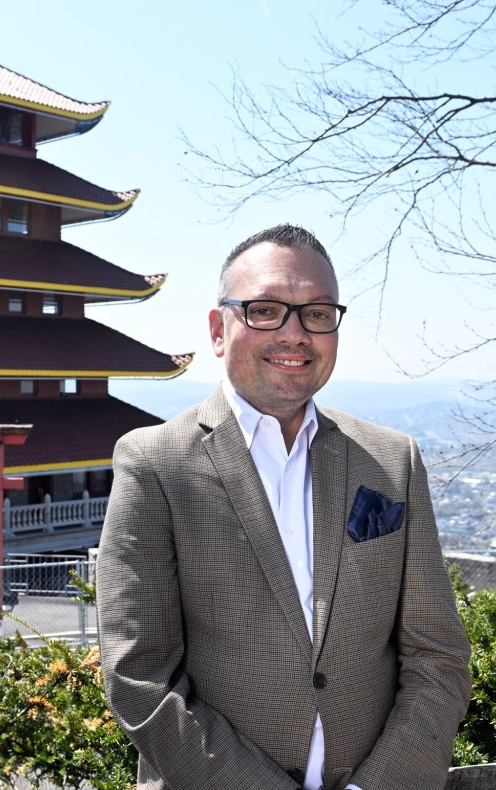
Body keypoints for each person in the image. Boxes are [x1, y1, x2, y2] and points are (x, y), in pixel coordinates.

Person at [96, 225, 471, 790]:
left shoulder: (392, 461)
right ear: (219, 330)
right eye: (266, 310)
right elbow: (140, 678)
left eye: (317, 314)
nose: (295, 334)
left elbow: (437, 657)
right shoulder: (155, 464)